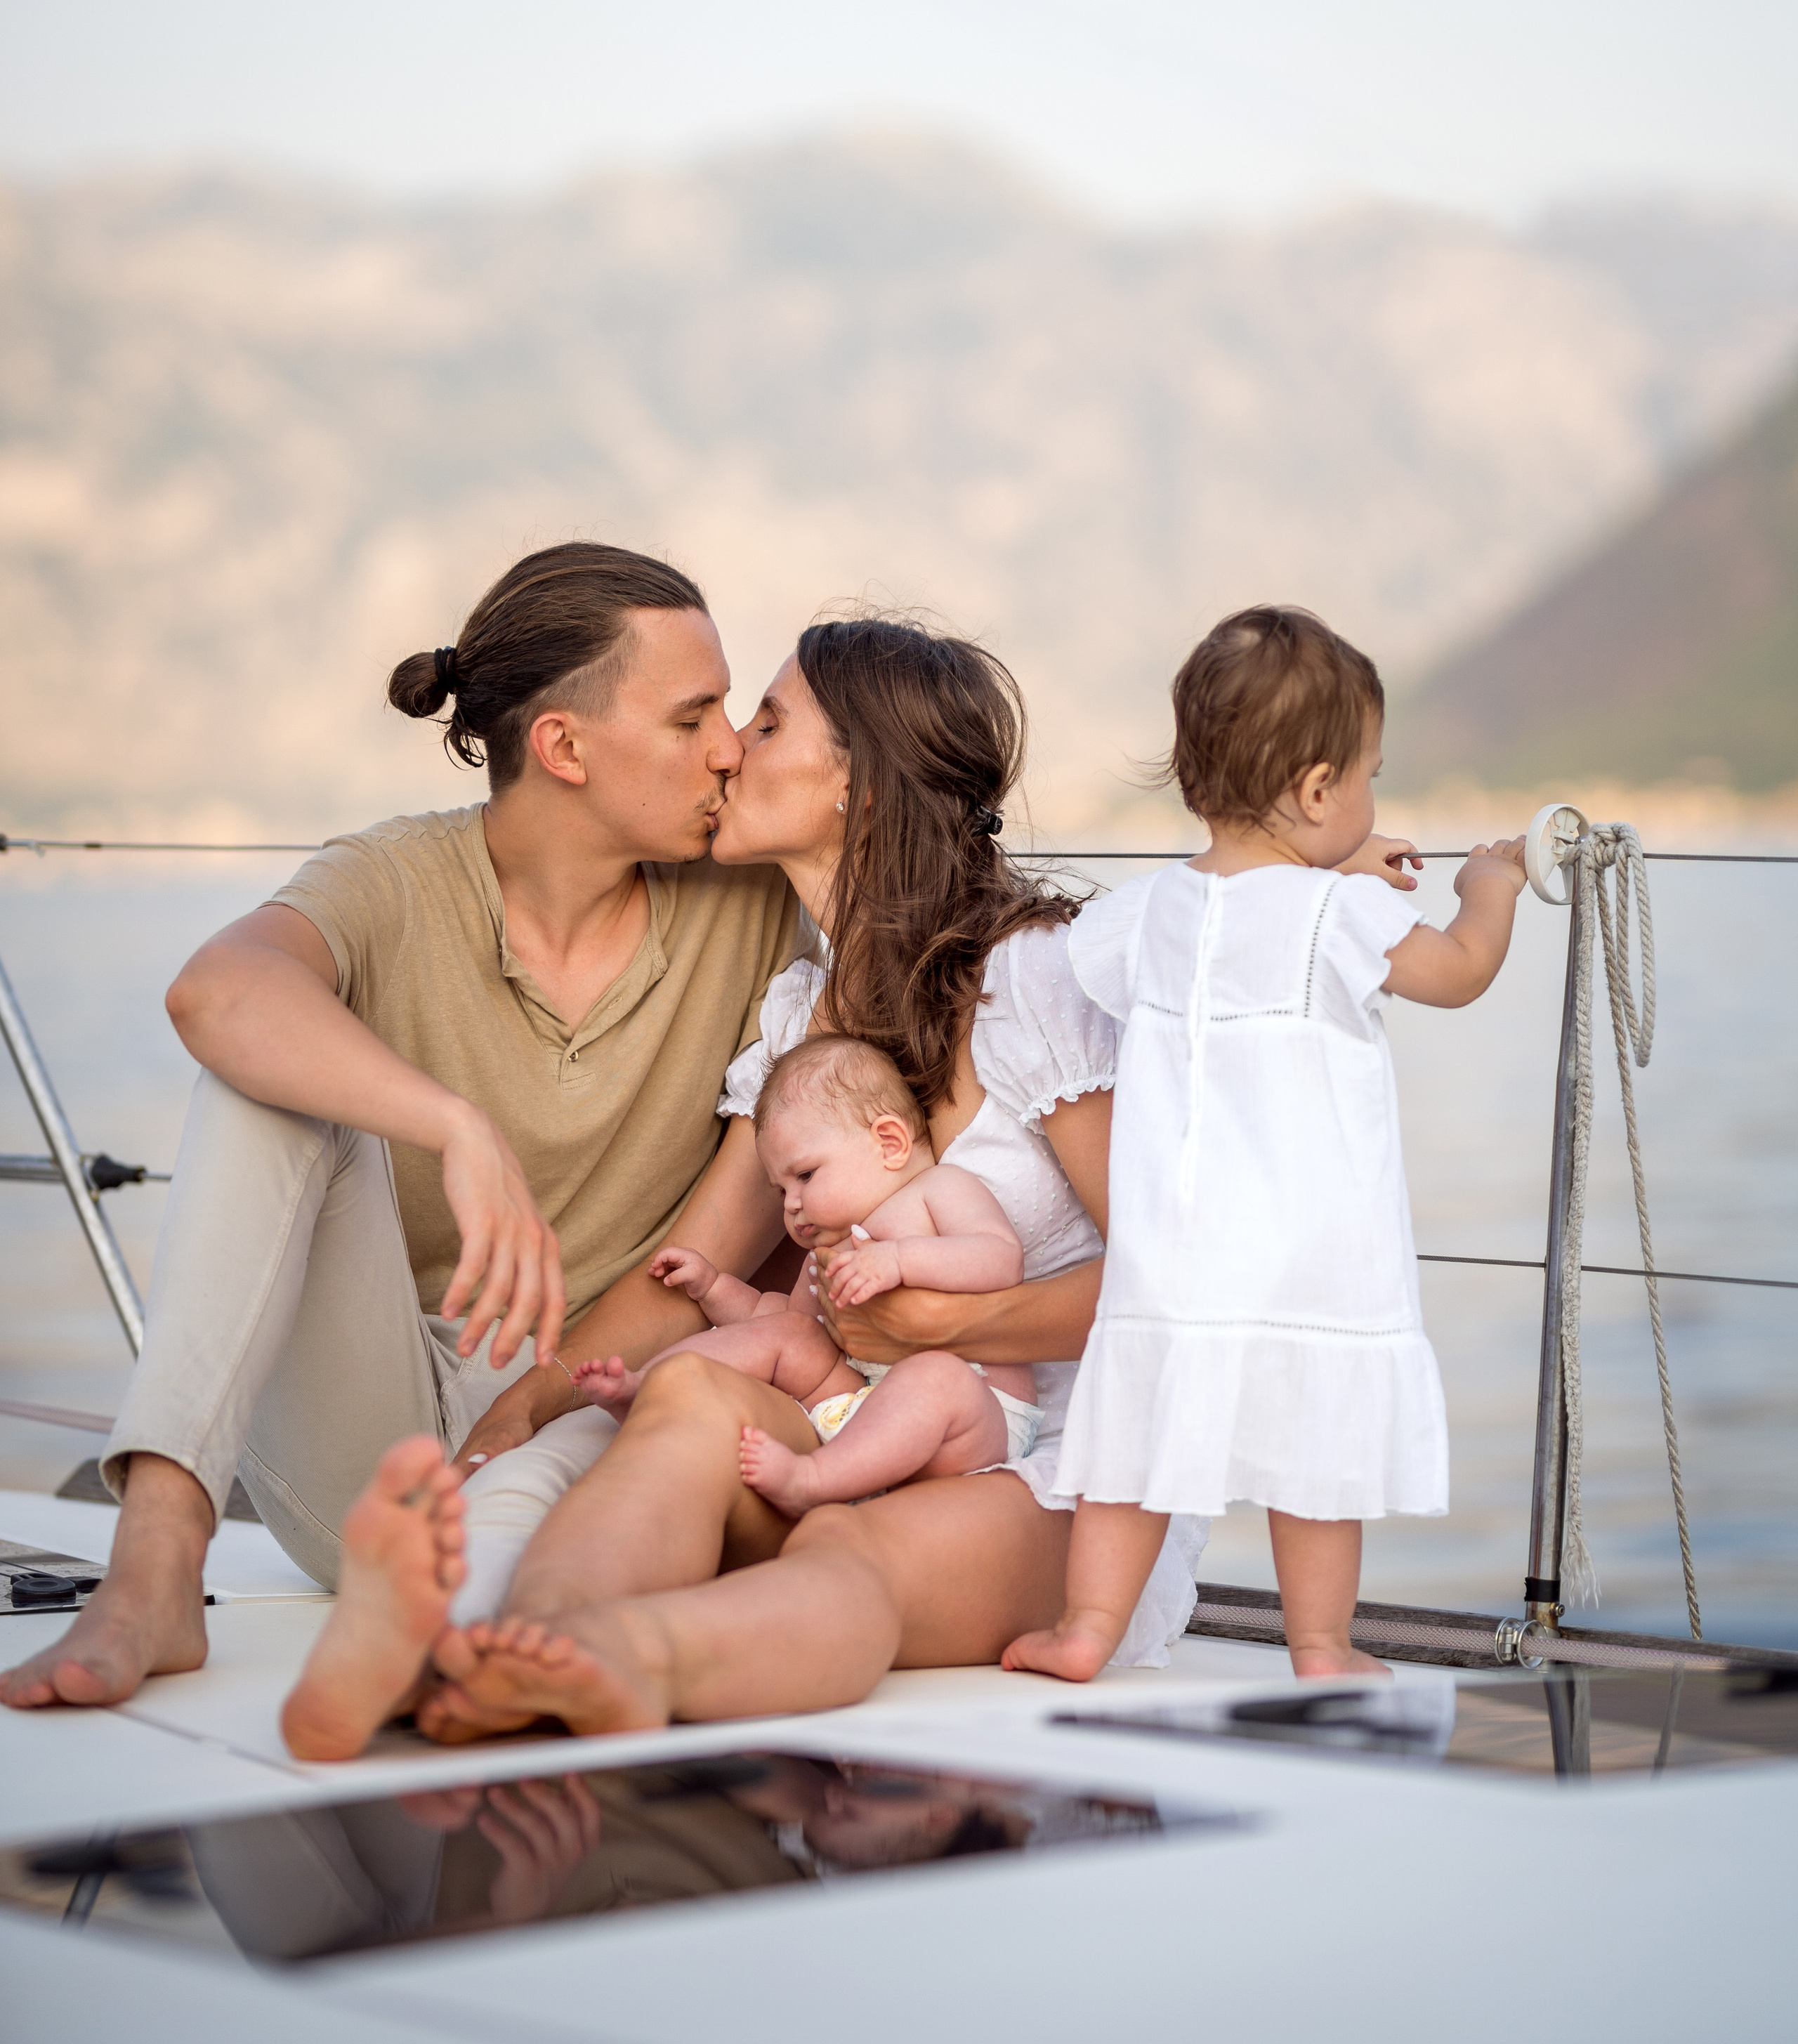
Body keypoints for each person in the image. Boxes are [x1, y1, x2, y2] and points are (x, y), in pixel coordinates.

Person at [277, 612, 1420, 1755]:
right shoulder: (798, 1022)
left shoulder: (1031, 983)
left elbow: (1178, 1282)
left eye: (769, 723)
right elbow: (697, 1266)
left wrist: (964, 1318)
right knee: (685, 1399)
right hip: (857, 1423)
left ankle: (626, 1661)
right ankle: (506, 1654)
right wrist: (522, 1410)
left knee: (850, 1551)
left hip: (1057, 1474)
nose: (730, 748)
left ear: (856, 788)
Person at [1, 541, 800, 1718]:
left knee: (619, 1454)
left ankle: (445, 1641)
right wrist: (452, 1125)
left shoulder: (754, 910)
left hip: (589, 1412)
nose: (730, 745)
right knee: (265, 1076)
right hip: (372, 1439)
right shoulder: (401, 877)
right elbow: (214, 995)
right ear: (564, 747)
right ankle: (157, 1565)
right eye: (694, 717)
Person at [1002, 605, 1527, 1686]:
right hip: (1308, 1255)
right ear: (1321, 791)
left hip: (1176, 1256)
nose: (1375, 804)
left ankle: (1086, 1630)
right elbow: (1461, 973)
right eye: (1369, 780)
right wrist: (1490, 890)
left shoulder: (1145, 916)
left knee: (1133, 1455)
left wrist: (1326, 867)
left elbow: (1235, 903)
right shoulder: (1341, 921)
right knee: (1314, 1464)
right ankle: (1322, 1647)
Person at [575, 1029, 1043, 1516]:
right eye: (780, 1192)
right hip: (862, 1408)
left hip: (976, 1416)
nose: (792, 1207)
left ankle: (811, 1480)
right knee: (790, 1336)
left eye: (805, 1176)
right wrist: (713, 1288)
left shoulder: (939, 1190)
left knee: (937, 1377)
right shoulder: (827, 1251)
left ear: (889, 1142)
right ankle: (648, 1387)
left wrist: (900, 1260)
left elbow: (999, 1258)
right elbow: (778, 1319)